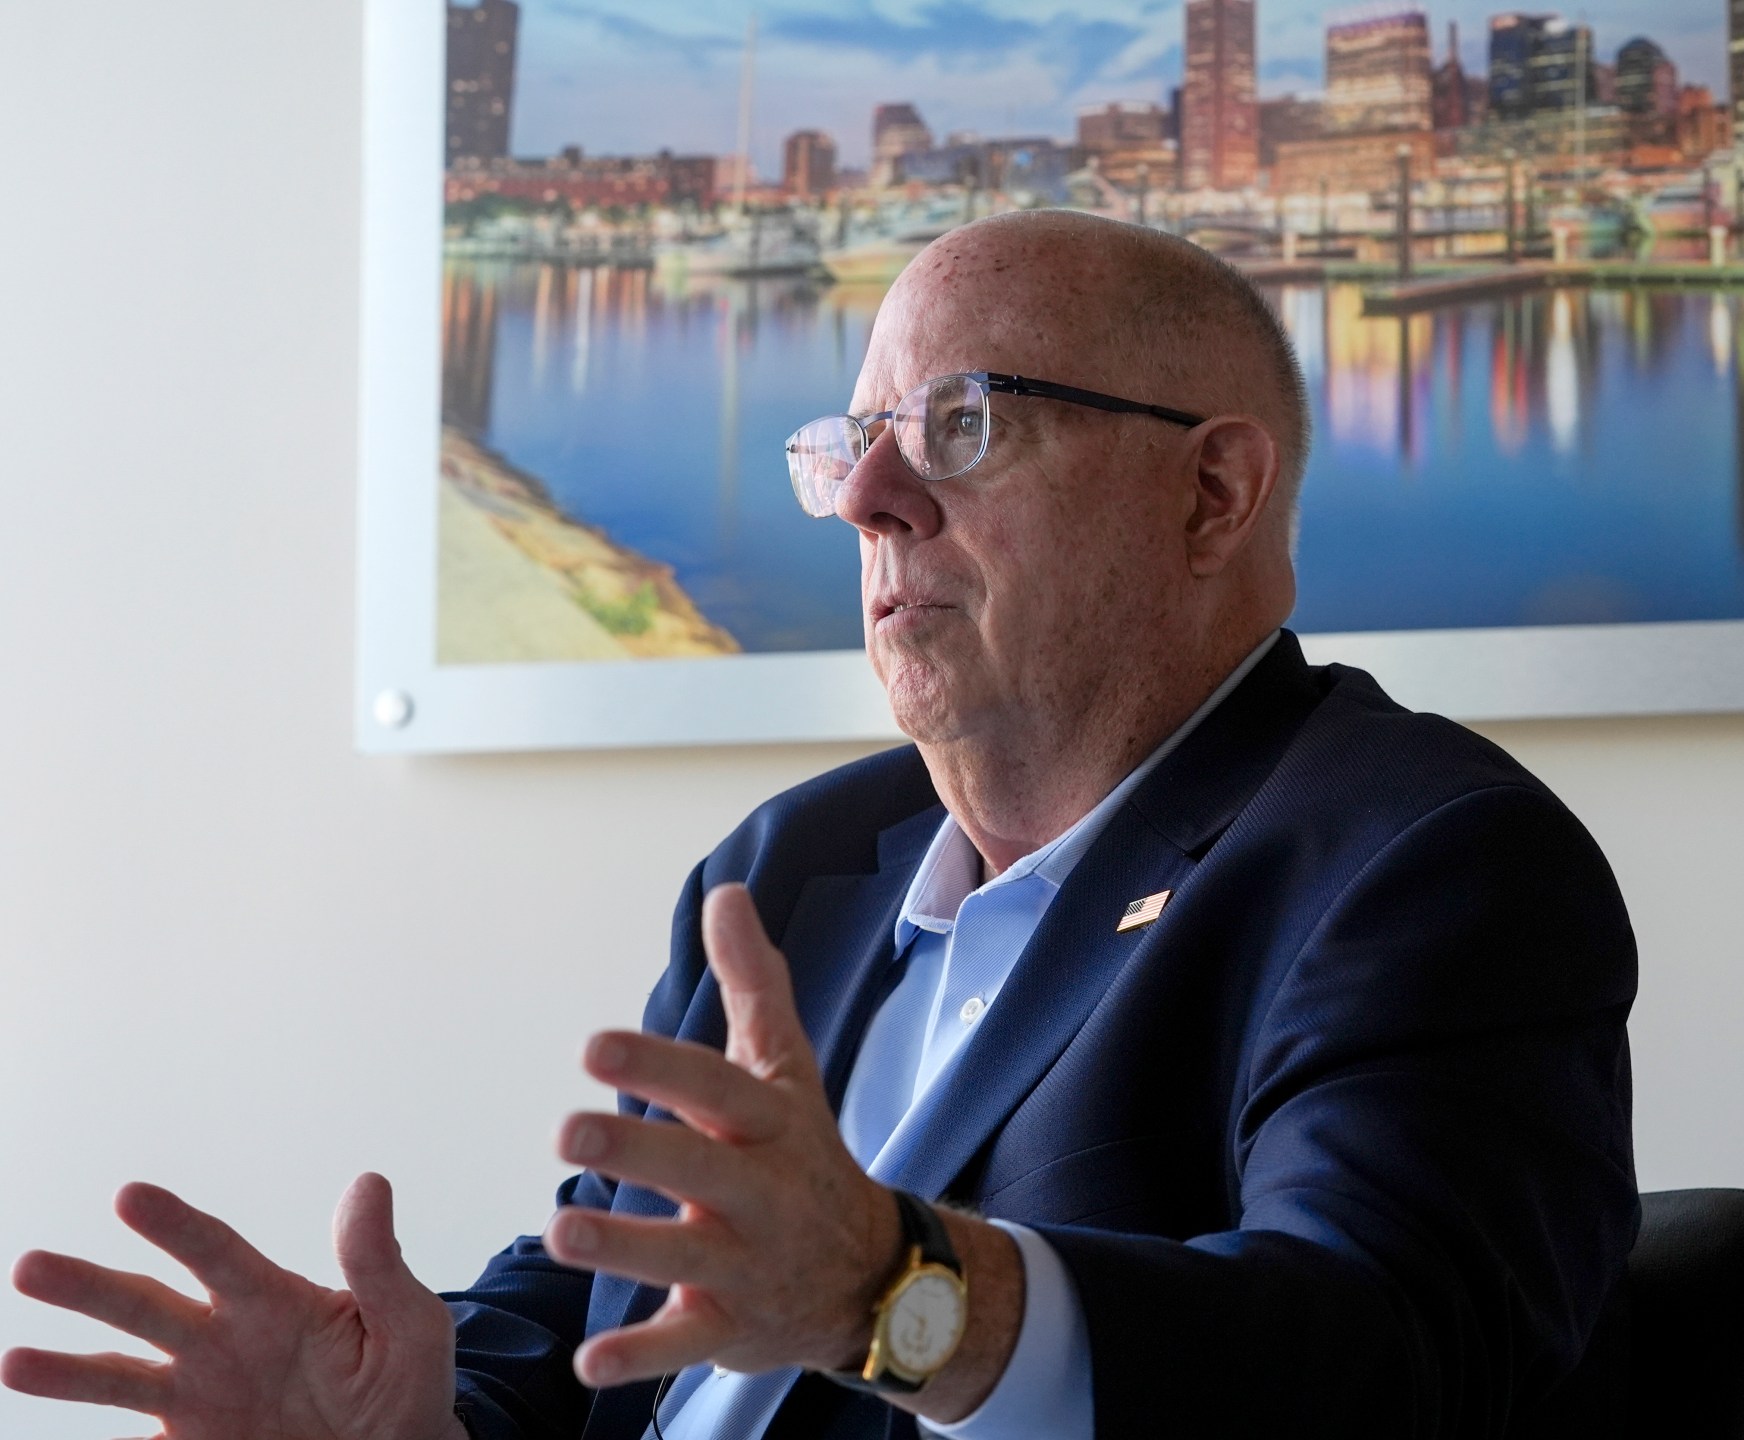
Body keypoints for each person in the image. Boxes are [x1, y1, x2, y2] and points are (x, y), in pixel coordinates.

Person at [4, 211, 1639, 1439]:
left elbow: (1391, 1365)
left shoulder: (1420, 865)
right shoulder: (793, 869)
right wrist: (412, 1410)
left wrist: (903, 1298)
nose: (869, 500)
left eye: (964, 427)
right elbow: (613, 1297)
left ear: (1212, 495)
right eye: (856, 444)